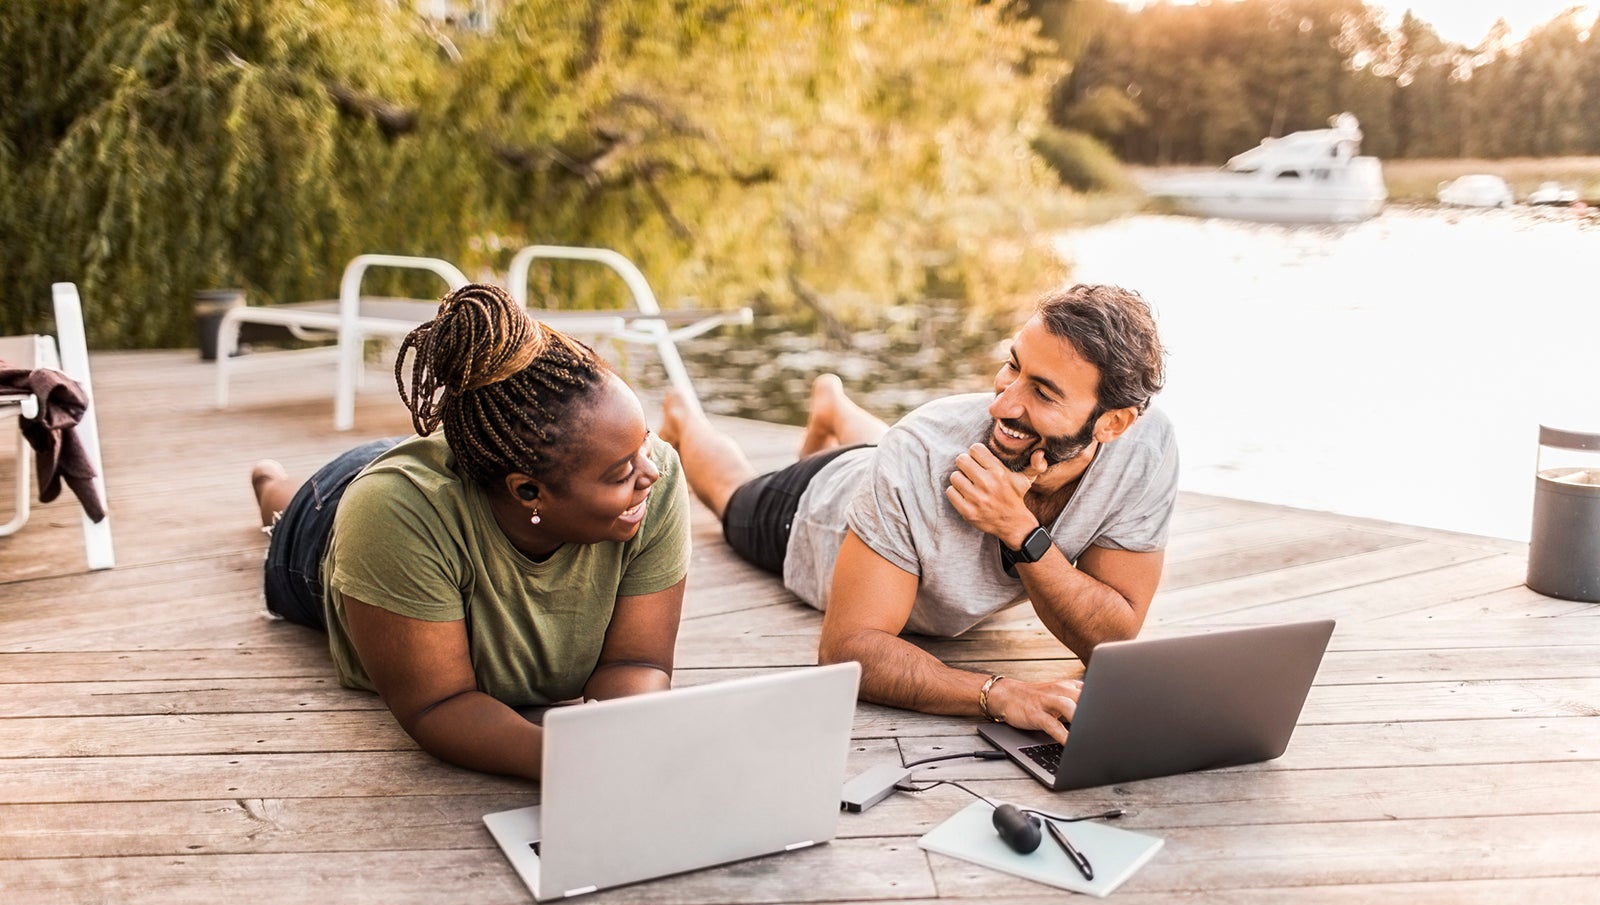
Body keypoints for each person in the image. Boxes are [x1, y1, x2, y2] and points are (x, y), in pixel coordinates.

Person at [659, 283, 1177, 744]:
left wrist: (1018, 529)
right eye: (1013, 366)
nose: (1001, 404)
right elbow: (849, 648)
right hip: (813, 507)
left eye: (1042, 392)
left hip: (894, 464)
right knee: (734, 495)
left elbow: (1109, 638)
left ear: (1113, 424)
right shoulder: (916, 452)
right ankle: (686, 418)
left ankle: (834, 406)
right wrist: (1000, 693)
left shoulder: (1146, 448)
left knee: (897, 450)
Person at [249, 284, 691, 780]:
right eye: (620, 473)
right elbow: (439, 704)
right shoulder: (390, 517)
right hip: (338, 516)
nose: (649, 472)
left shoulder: (655, 479)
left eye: (644, 443)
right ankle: (267, 480)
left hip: (479, 462)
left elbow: (638, 660)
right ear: (528, 492)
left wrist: (622, 738)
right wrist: (570, 764)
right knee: (285, 507)